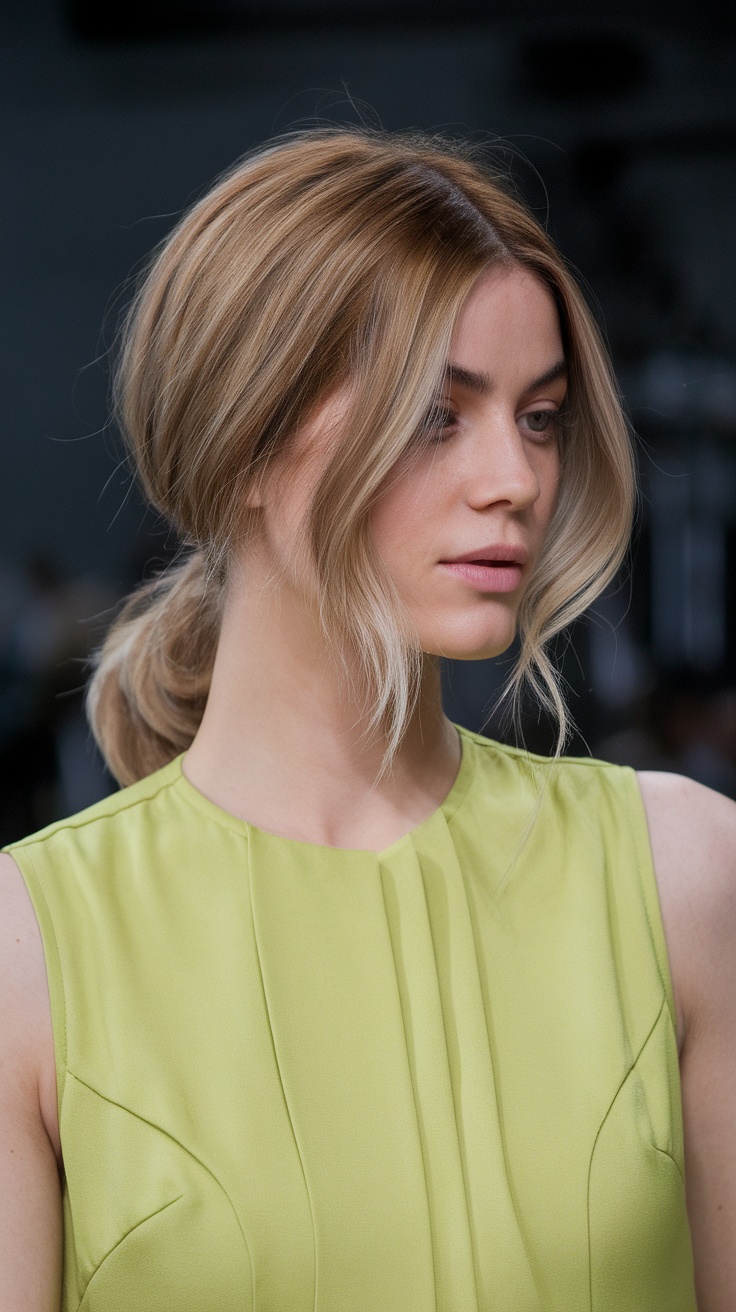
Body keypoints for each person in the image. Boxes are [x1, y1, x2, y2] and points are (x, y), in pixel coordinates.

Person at [1, 129, 733, 1312]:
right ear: (247, 438)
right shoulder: (28, 954)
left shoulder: (682, 877)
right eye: (438, 416)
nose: (513, 477)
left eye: (539, 416)